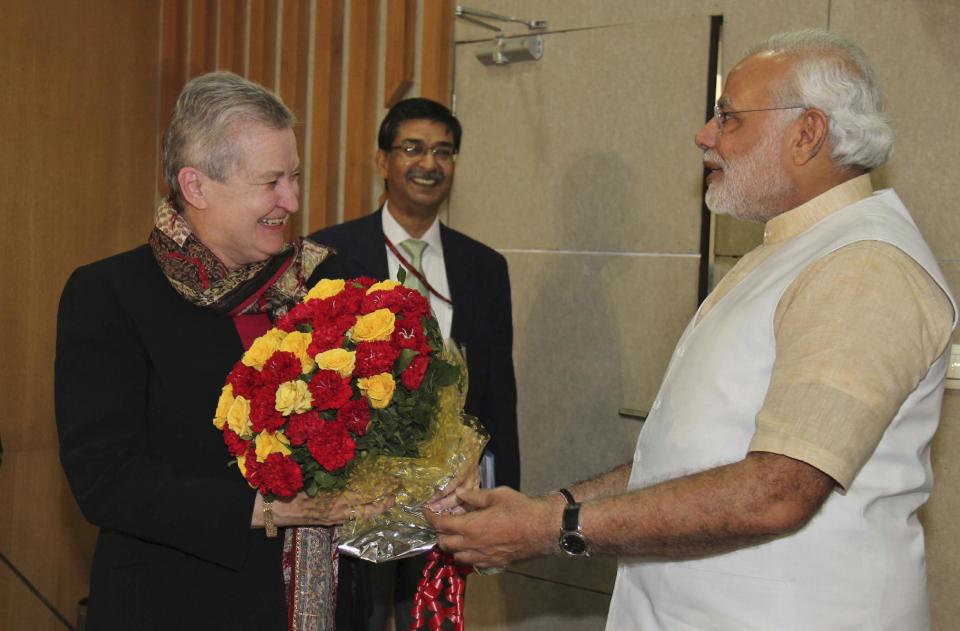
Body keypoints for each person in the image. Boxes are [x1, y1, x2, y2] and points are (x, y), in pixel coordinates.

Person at [427, 29, 957, 630]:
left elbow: (778, 490)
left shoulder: (863, 266)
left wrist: (554, 530)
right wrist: (555, 505)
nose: (704, 135)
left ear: (807, 134)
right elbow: (692, 455)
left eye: (728, 117)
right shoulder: (791, 249)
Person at [55, 71, 387, 631]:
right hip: (178, 603)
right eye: (271, 182)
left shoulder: (329, 280)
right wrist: (268, 510)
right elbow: (106, 479)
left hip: (329, 603)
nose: (293, 200)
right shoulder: (111, 295)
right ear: (197, 186)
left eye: (296, 176)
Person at [309, 97, 520, 630]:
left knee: (429, 620)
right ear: (383, 162)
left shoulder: (485, 267)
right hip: (358, 493)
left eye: (443, 152)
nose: (429, 163)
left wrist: (502, 494)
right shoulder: (328, 254)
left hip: (449, 492)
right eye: (413, 148)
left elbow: (498, 391)